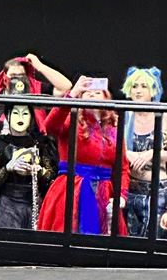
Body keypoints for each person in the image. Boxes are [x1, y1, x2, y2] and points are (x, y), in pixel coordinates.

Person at [37, 76, 129, 235]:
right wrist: (71, 95)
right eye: (86, 91)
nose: (91, 94)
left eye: (97, 91)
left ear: (106, 97)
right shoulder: (71, 119)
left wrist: (121, 196)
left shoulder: (114, 128)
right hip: (71, 190)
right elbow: (50, 126)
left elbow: (123, 169)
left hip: (104, 194)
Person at [0, 77, 58, 229]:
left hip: (34, 201)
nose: (20, 118)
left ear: (31, 117)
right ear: (8, 115)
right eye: (16, 113)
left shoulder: (40, 143)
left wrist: (39, 171)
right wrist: (8, 168)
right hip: (8, 204)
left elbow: (51, 177)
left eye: (25, 113)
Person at [0, 55, 72, 145]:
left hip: (31, 151)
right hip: (0, 155)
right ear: (4, 77)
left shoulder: (36, 92)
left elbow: (66, 86)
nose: (17, 79)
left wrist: (39, 66)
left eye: (21, 76)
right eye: (13, 75)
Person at [121, 67, 167, 238]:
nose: (138, 90)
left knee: (154, 241)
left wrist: (153, 153)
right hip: (130, 190)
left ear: (153, 89)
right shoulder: (123, 116)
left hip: (159, 192)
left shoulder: (164, 116)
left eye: (144, 86)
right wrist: (125, 153)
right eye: (134, 86)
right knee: (129, 243)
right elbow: (108, 148)